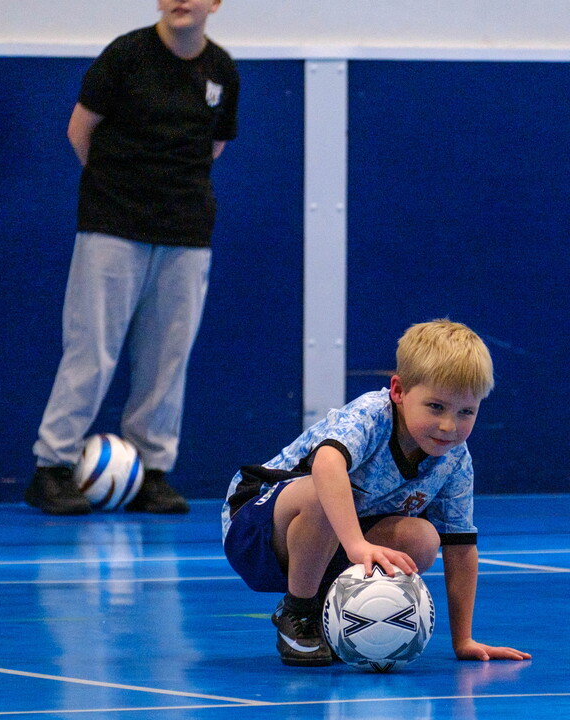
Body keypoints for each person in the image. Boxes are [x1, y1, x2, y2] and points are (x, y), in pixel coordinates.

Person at [26, 0, 239, 516]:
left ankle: (152, 472)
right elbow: (81, 132)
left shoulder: (222, 71)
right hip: (113, 226)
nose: (181, 1)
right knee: (91, 348)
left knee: (168, 356)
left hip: (186, 233)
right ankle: (52, 467)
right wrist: (119, 189)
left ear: (214, 4)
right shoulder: (125, 56)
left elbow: (212, 146)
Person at [221, 320, 532, 666]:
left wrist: (463, 639)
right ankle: (299, 614)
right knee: (324, 491)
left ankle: (326, 603)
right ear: (398, 391)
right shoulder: (371, 415)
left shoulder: (455, 460)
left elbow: (460, 548)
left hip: (329, 542)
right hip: (257, 530)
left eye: (466, 412)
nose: (449, 426)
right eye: (436, 407)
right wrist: (356, 544)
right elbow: (325, 464)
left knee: (423, 539)